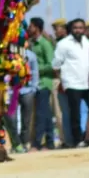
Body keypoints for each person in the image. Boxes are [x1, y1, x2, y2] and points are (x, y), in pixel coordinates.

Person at [52, 19, 89, 147]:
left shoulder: (87, 42)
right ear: (71, 29)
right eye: (75, 28)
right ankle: (77, 140)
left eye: (81, 28)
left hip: (88, 82)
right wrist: (63, 80)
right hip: (72, 83)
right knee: (75, 114)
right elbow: (56, 65)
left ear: (84, 29)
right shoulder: (64, 44)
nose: (78, 30)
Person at [27, 18, 56, 150]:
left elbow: (51, 64)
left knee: (40, 114)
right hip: (35, 83)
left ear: (37, 28)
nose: (29, 28)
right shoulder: (31, 44)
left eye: (31, 26)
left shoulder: (45, 44)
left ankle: (36, 144)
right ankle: (49, 142)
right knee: (46, 114)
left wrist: (35, 70)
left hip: (44, 83)